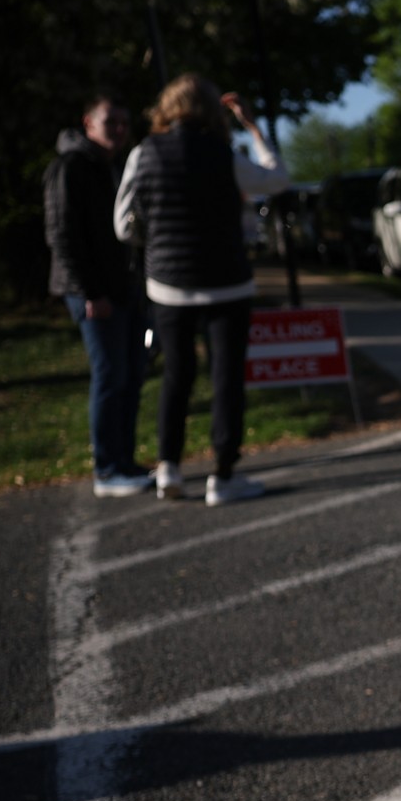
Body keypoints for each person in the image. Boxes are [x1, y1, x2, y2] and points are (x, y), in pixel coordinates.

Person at [114, 74, 290, 506]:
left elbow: (122, 225)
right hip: (227, 284)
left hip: (169, 286)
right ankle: (223, 475)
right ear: (212, 110)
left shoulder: (143, 153)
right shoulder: (223, 154)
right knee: (226, 379)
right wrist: (251, 126)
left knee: (177, 377)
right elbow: (277, 178)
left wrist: (156, 243)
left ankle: (169, 469)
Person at [46, 95, 149, 497]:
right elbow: (61, 236)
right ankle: (107, 470)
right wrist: (91, 292)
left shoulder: (116, 167)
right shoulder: (70, 167)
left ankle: (125, 462)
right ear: (88, 123)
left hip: (124, 291)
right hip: (92, 293)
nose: (119, 129)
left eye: (125, 122)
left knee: (131, 375)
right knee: (110, 376)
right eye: (111, 122)